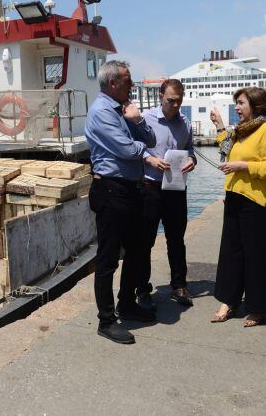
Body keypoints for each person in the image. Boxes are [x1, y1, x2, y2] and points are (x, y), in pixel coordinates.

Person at [85, 60, 157, 344]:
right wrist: (145, 151)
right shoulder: (102, 112)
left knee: (138, 250)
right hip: (111, 191)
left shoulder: (124, 110)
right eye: (128, 81)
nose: (132, 84)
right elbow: (128, 149)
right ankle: (106, 320)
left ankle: (126, 303)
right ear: (113, 83)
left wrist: (137, 120)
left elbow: (149, 136)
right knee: (108, 257)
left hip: (131, 189)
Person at [209, 87, 266, 327]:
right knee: (230, 253)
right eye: (236, 104)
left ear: (256, 105)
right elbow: (227, 149)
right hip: (234, 197)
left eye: (241, 103)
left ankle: (258, 307)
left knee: (256, 256)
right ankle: (228, 301)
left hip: (257, 201)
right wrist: (220, 125)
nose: (237, 108)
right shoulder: (240, 132)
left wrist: (243, 167)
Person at [137, 79, 197, 311]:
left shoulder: (185, 123)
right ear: (161, 95)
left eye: (179, 101)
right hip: (150, 187)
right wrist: (149, 158)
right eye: (171, 100)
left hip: (175, 188)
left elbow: (190, 149)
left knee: (177, 239)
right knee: (145, 241)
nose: (175, 105)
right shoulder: (145, 119)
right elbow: (133, 146)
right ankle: (142, 289)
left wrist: (192, 160)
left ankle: (179, 285)